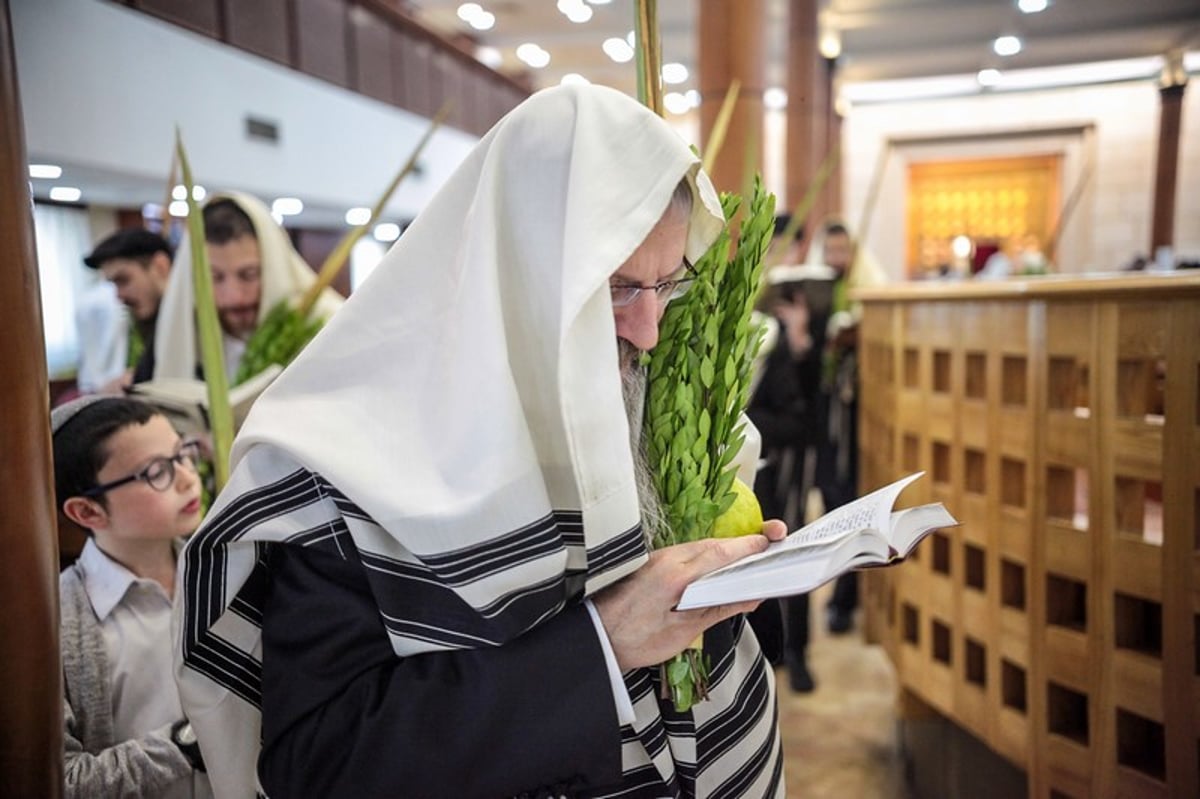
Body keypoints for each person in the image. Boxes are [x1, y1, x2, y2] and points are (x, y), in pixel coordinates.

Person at [175, 84, 787, 798]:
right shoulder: (349, 467)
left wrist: (735, 581)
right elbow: (324, 760)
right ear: (522, 276)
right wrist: (602, 642)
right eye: (617, 288)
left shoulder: (639, 376)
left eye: (667, 282)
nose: (649, 331)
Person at [52, 395, 211, 798]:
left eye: (183, 455)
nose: (188, 478)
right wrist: (186, 743)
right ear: (88, 513)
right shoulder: (58, 623)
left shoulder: (224, 572)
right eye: (157, 471)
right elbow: (63, 781)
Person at [152, 192, 343, 381]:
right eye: (215, 278)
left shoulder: (327, 327)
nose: (235, 297)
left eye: (249, 275)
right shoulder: (188, 330)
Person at [804, 219, 885, 634]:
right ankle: (834, 592)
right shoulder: (816, 295)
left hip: (858, 422)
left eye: (844, 251)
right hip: (823, 422)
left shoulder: (868, 293)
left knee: (855, 504)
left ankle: (846, 599)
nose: (837, 259)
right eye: (830, 251)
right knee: (831, 503)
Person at [82, 228, 174, 388]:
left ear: (161, 267)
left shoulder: (193, 324)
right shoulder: (139, 324)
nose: (119, 296)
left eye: (123, 280)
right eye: (114, 285)